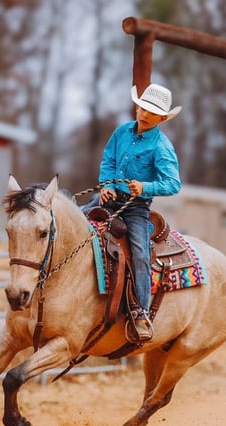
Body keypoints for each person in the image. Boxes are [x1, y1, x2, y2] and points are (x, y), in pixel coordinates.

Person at [90, 82, 182, 342]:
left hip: (135, 207)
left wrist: (144, 187)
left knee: (140, 254)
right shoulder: (122, 131)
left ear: (162, 118)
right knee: (74, 220)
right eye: (143, 108)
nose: (145, 114)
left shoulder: (161, 147)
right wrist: (107, 185)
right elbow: (109, 159)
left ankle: (141, 312)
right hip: (109, 197)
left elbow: (173, 183)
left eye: (153, 112)